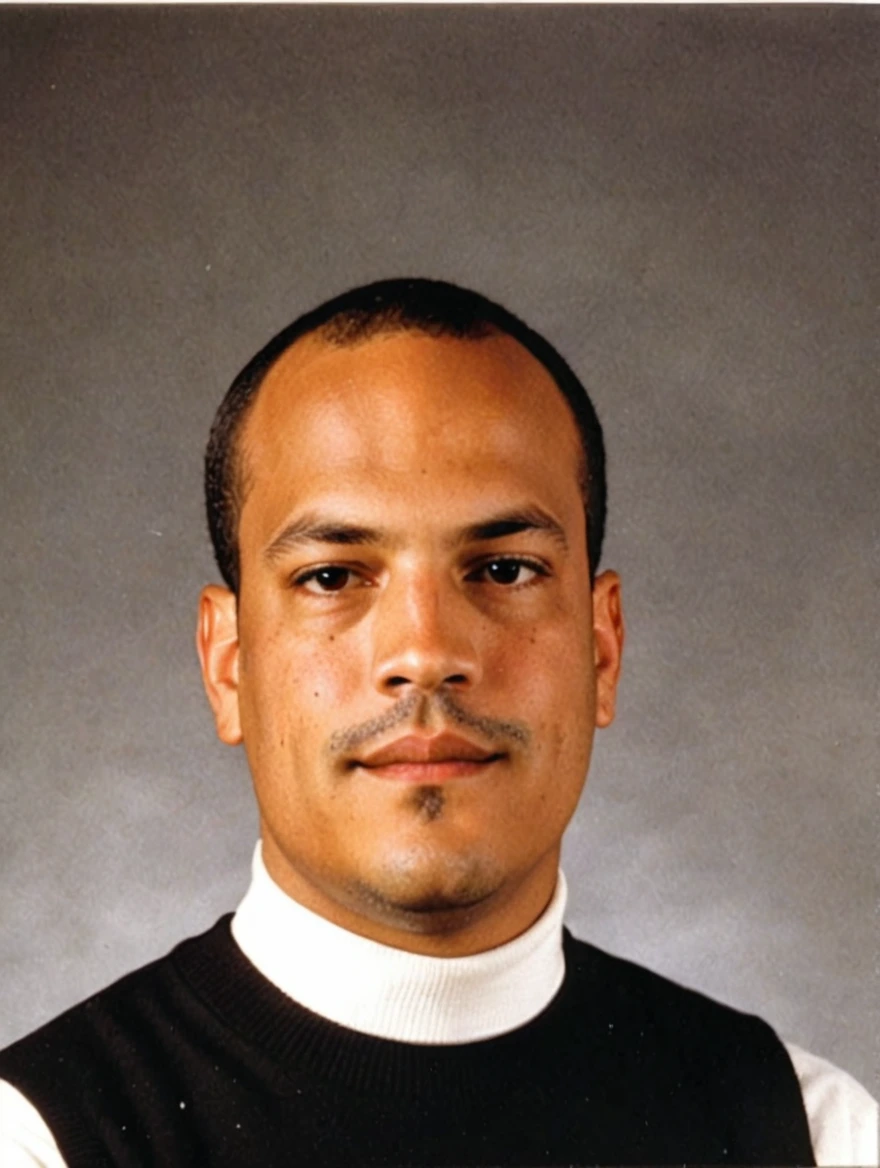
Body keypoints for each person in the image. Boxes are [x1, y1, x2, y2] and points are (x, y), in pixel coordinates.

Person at [0, 279, 875, 1167]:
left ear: (602, 649)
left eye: (503, 569)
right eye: (333, 577)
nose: (425, 650)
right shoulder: (39, 1141)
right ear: (228, 663)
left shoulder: (815, 1136)